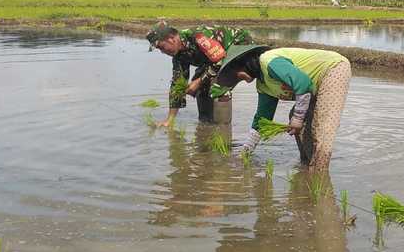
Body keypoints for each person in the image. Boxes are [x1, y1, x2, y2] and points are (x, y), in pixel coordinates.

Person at [212, 44, 351, 172]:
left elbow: (303, 83)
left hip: (333, 69)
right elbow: (262, 120)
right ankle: (307, 168)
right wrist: (245, 152)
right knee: (300, 122)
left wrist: (298, 118)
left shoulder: (269, 62)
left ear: (243, 65)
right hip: (313, 86)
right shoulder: (263, 84)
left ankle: (320, 175)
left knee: (322, 126)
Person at [147, 21, 253, 126]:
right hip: (215, 59)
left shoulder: (199, 37)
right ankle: (206, 125)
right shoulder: (178, 55)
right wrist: (170, 120)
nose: (162, 52)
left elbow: (219, 61)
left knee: (218, 86)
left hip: (240, 48)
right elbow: (177, 84)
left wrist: (199, 81)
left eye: (162, 47)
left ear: (171, 39)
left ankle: (223, 130)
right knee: (202, 87)